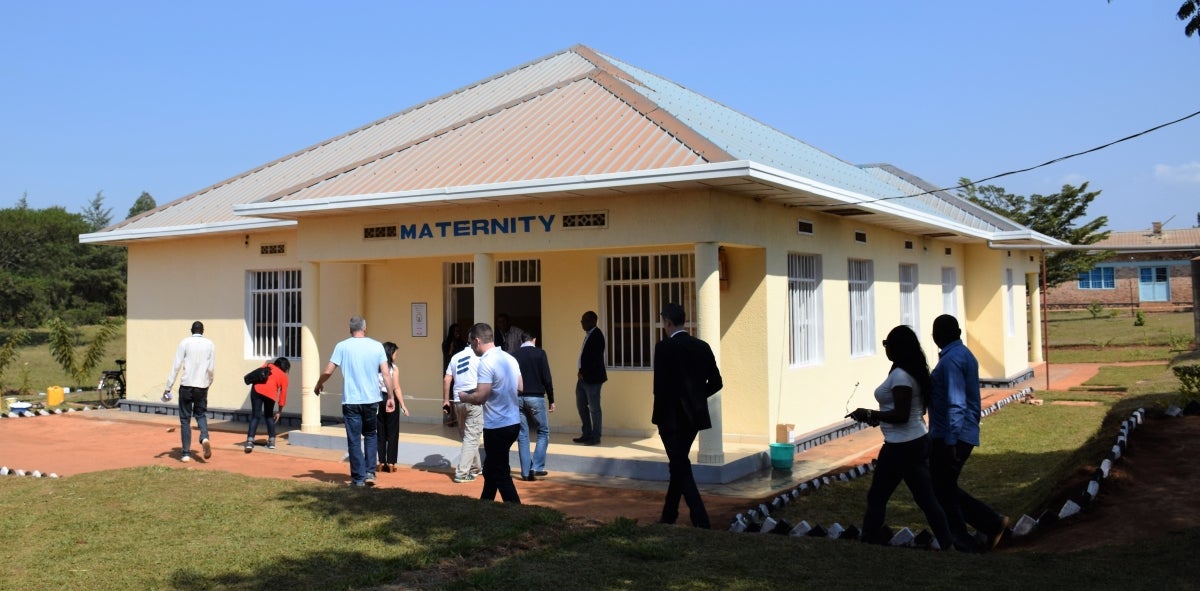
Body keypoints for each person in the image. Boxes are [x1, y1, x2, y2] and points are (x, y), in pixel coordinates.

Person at [847, 325, 956, 550]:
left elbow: (901, 415)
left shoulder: (900, 376)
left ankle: (869, 539)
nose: (885, 349)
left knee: (883, 495)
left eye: (887, 344)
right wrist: (877, 418)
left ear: (897, 347)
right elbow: (903, 413)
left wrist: (869, 414)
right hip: (912, 442)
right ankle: (947, 543)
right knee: (920, 498)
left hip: (902, 446)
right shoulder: (909, 371)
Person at [929, 314, 1010, 551]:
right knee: (943, 486)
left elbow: (956, 402)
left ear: (939, 335)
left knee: (941, 488)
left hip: (953, 435)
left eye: (935, 332)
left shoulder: (952, 360)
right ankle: (991, 523)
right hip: (958, 433)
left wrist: (951, 441)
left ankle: (964, 538)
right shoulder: (962, 354)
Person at [651, 303, 721, 529]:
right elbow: (717, 382)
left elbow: (659, 388)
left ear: (668, 322)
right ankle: (669, 514)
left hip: (669, 418)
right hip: (693, 418)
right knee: (678, 463)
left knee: (679, 464)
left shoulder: (662, 348)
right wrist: (697, 398)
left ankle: (700, 519)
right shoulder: (702, 346)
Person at [314, 316, 395, 487]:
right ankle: (370, 472)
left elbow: (328, 370)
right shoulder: (376, 346)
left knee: (354, 439)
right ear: (365, 328)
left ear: (350, 329)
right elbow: (386, 374)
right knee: (371, 435)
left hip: (351, 401)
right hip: (372, 399)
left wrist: (319, 384)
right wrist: (391, 397)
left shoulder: (342, 346)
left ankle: (358, 478)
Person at [458, 323, 523, 503]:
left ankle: (515, 507)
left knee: (499, 471)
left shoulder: (486, 361)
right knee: (491, 468)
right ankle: (486, 502)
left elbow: (481, 397)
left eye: (471, 343)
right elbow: (520, 387)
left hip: (497, 426)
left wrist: (465, 396)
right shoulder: (510, 358)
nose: (471, 347)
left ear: (477, 341)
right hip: (513, 423)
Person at [163, 321, 215, 462]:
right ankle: (204, 437)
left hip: (186, 385)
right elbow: (211, 367)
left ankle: (186, 453)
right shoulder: (210, 344)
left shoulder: (184, 342)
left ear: (191, 330)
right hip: (202, 385)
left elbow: (176, 365)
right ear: (202, 331)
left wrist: (168, 386)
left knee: (185, 419)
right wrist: (209, 381)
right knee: (200, 414)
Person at [512, 333, 554, 480]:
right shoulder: (540, 353)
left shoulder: (514, 355)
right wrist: (551, 399)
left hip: (517, 397)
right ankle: (536, 467)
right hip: (536, 397)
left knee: (522, 434)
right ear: (534, 340)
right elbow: (547, 378)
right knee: (543, 431)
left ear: (520, 341)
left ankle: (525, 472)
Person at [444, 336, 483, 483]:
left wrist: (446, 400)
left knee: (468, 437)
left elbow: (447, 379)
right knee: (471, 437)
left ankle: (476, 468)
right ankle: (462, 473)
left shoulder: (456, 356)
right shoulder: (479, 357)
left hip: (457, 400)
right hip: (473, 399)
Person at [574, 310, 607, 445]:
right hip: (583, 378)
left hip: (592, 379)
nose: (582, 323)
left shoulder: (597, 335)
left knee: (594, 408)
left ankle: (595, 436)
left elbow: (595, 360)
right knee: (581, 405)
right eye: (582, 321)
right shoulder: (589, 335)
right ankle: (586, 433)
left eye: (585, 321)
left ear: (593, 321)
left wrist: (584, 372)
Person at [244, 357, 290, 453]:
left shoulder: (268, 365)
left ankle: (249, 442)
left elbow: (259, 373)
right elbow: (283, 395)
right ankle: (272, 441)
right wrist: (279, 411)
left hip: (256, 390)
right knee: (269, 416)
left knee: (255, 416)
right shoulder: (284, 376)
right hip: (270, 394)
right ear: (285, 367)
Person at [376, 341, 409, 473]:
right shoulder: (393, 368)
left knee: (380, 432)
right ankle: (390, 462)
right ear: (390, 353)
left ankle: (381, 461)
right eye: (395, 353)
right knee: (393, 432)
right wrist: (403, 405)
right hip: (391, 399)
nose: (396, 355)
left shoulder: (375, 367)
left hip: (378, 399)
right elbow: (396, 388)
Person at [440, 324, 467, 427]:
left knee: (459, 396)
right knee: (449, 396)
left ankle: (459, 418)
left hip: (460, 373)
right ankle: (450, 418)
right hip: (449, 372)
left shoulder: (462, 343)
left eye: (459, 331)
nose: (458, 333)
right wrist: (451, 348)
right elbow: (447, 357)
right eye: (456, 331)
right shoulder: (446, 343)